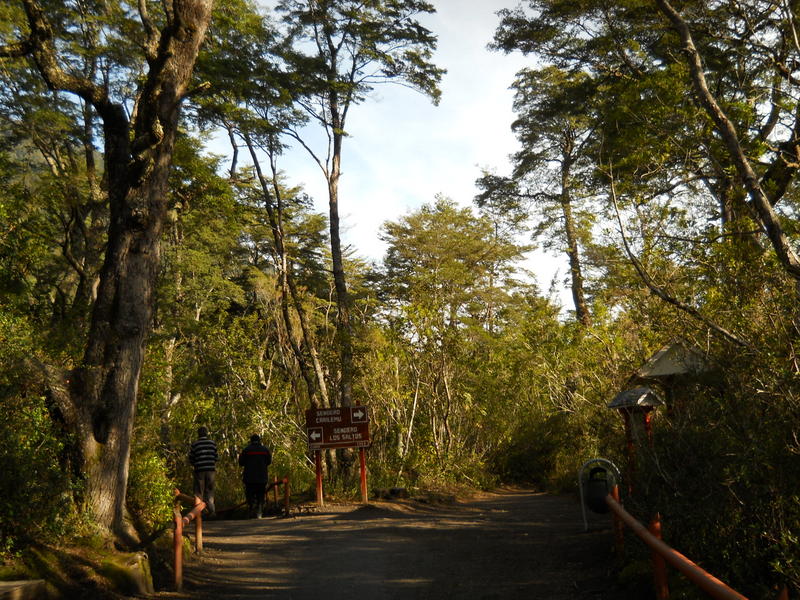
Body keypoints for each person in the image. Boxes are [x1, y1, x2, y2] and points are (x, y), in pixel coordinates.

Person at [238, 434, 272, 518]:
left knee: (250, 493)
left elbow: (241, 463)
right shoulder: (265, 450)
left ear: (251, 441)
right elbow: (269, 462)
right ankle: (259, 511)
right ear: (259, 440)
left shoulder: (246, 450)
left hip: (249, 477)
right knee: (261, 494)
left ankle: (251, 508)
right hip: (262, 477)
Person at [189, 426, 218, 516]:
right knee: (209, 491)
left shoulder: (195, 444)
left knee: (198, 492)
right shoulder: (212, 443)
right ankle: (212, 511)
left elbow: (191, 458)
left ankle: (199, 513)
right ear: (206, 433)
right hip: (210, 471)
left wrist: (196, 464)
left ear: (198, 434)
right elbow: (216, 457)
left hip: (199, 471)